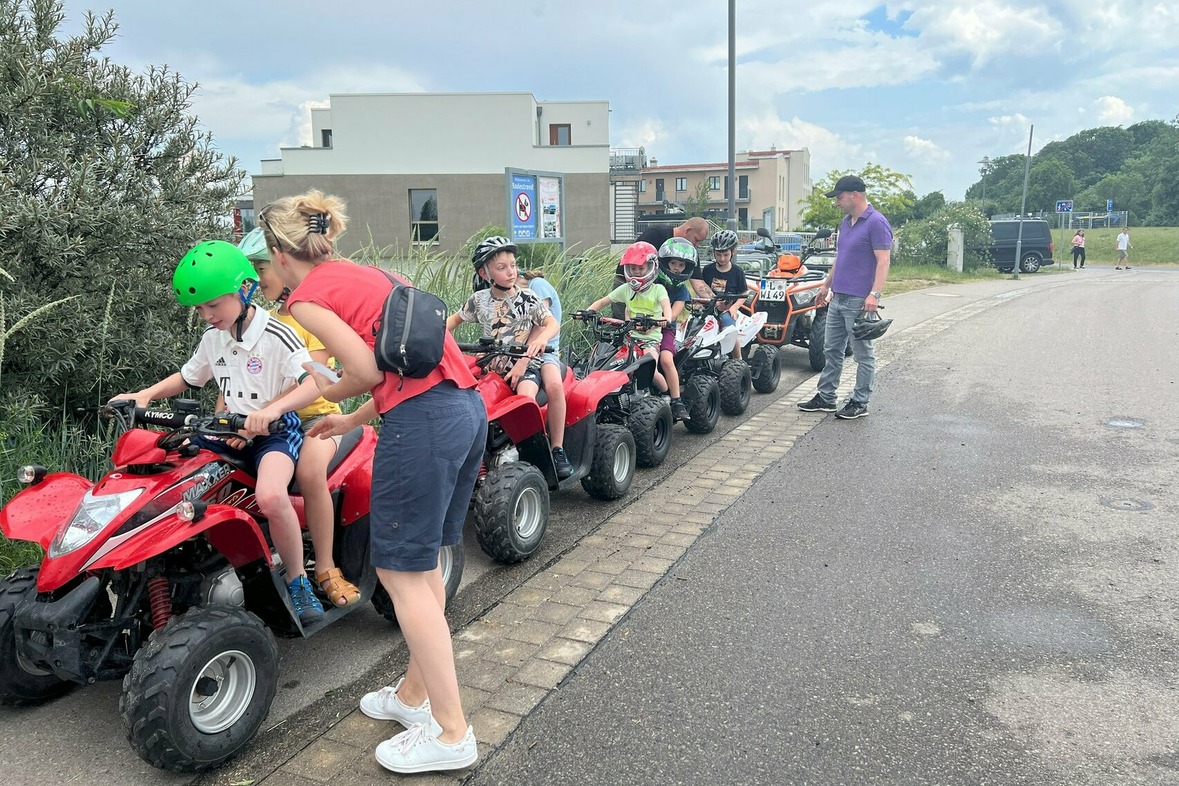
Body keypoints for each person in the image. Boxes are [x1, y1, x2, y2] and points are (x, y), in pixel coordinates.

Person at [260, 191, 485, 774]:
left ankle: (453, 732)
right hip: (465, 410)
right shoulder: (373, 273)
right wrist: (356, 417)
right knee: (425, 562)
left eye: (264, 263)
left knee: (401, 574)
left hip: (423, 426)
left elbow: (360, 371)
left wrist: (322, 390)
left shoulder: (307, 298)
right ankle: (415, 698)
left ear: (281, 254)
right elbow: (404, 365)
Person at [111, 240, 327, 623]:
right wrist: (143, 395)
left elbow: (315, 381)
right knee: (167, 470)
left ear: (244, 290)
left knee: (272, 495)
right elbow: (187, 377)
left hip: (275, 433)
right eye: (199, 308)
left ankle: (297, 581)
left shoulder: (278, 335)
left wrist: (272, 410)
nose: (207, 315)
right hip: (224, 429)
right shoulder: (214, 339)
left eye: (214, 304)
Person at [243, 233, 358, 607]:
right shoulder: (263, 322)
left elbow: (314, 377)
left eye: (261, 268)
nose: (257, 279)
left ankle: (325, 568)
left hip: (317, 419)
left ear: (282, 263)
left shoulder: (311, 314)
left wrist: (263, 411)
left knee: (309, 472)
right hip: (269, 424)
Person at [447, 237, 573, 479]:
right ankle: (477, 457)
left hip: (526, 365)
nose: (510, 272)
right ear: (485, 273)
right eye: (502, 267)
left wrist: (540, 339)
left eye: (513, 265)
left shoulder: (528, 298)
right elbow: (451, 323)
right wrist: (433, 337)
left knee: (524, 400)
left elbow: (551, 322)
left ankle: (552, 450)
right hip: (492, 367)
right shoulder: (479, 300)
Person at [797, 174, 892, 420]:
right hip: (837, 298)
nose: (837, 202)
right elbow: (841, 259)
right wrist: (826, 285)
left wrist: (874, 294)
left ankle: (860, 402)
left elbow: (883, 261)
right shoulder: (845, 223)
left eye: (840, 197)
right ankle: (827, 398)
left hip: (859, 301)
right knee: (832, 350)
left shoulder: (876, 222)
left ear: (855, 195)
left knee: (863, 354)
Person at [587, 241, 673, 386]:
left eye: (641, 268)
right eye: (633, 268)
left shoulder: (658, 289)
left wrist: (666, 318)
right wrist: (588, 311)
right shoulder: (626, 289)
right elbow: (603, 301)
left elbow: (666, 306)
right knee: (604, 360)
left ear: (651, 267)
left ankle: (666, 396)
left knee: (650, 369)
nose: (636, 272)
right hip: (629, 338)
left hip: (650, 340)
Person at [612, 217, 711, 316]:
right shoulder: (656, 234)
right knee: (622, 325)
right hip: (627, 284)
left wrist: (714, 300)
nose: (697, 245)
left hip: (654, 295)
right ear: (688, 231)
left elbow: (698, 281)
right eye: (697, 240)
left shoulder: (690, 251)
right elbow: (634, 261)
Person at [652, 238, 696, 421]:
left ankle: (676, 400)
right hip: (642, 329)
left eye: (681, 264)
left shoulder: (682, 291)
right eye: (673, 263)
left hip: (666, 330)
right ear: (664, 262)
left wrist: (661, 320)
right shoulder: (652, 282)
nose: (677, 268)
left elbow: (674, 314)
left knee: (666, 359)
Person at [699, 229, 750, 359]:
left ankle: (738, 361)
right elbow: (702, 288)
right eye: (718, 254)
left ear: (733, 252)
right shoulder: (708, 270)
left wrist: (733, 308)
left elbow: (744, 293)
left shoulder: (737, 272)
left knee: (729, 332)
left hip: (727, 310)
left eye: (726, 255)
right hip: (709, 308)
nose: (722, 258)